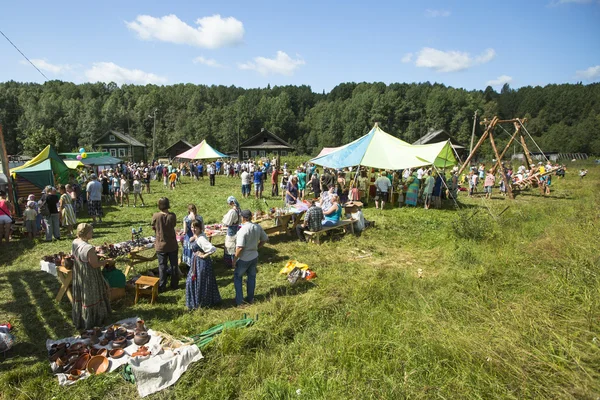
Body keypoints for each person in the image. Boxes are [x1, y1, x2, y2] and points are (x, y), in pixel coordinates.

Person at [71, 223, 111, 329]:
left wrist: (96, 255)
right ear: (86, 233)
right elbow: (95, 264)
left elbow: (82, 256)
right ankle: (94, 320)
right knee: (91, 295)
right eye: (90, 232)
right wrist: (106, 261)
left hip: (79, 272)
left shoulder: (75, 242)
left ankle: (81, 318)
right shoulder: (88, 248)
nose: (92, 233)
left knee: (83, 296)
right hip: (89, 275)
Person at [233, 210, 268, 306]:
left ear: (243, 218)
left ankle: (240, 302)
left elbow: (240, 248)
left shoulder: (242, 230)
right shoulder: (257, 227)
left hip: (244, 258)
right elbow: (265, 239)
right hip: (254, 256)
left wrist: (235, 259)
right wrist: (257, 247)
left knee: (238, 277)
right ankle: (250, 298)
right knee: (251, 277)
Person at [185, 221, 221, 309]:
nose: (193, 229)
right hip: (196, 262)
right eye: (192, 227)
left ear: (200, 228)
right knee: (194, 281)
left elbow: (212, 248)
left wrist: (204, 255)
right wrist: (193, 238)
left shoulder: (201, 239)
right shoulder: (197, 236)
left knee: (200, 281)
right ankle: (198, 302)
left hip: (201, 263)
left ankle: (201, 303)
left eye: (195, 228)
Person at [152, 198, 180, 292]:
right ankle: (174, 284)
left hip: (161, 244)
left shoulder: (156, 216)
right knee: (174, 265)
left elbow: (153, 226)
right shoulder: (172, 216)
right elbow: (173, 225)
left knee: (162, 266)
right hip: (172, 244)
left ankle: (162, 285)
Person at [222, 196, 241, 267]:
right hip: (236, 229)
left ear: (232, 203)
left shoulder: (232, 211)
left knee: (230, 246)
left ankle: (231, 263)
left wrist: (224, 219)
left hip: (231, 231)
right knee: (235, 245)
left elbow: (227, 222)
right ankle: (236, 260)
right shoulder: (238, 209)